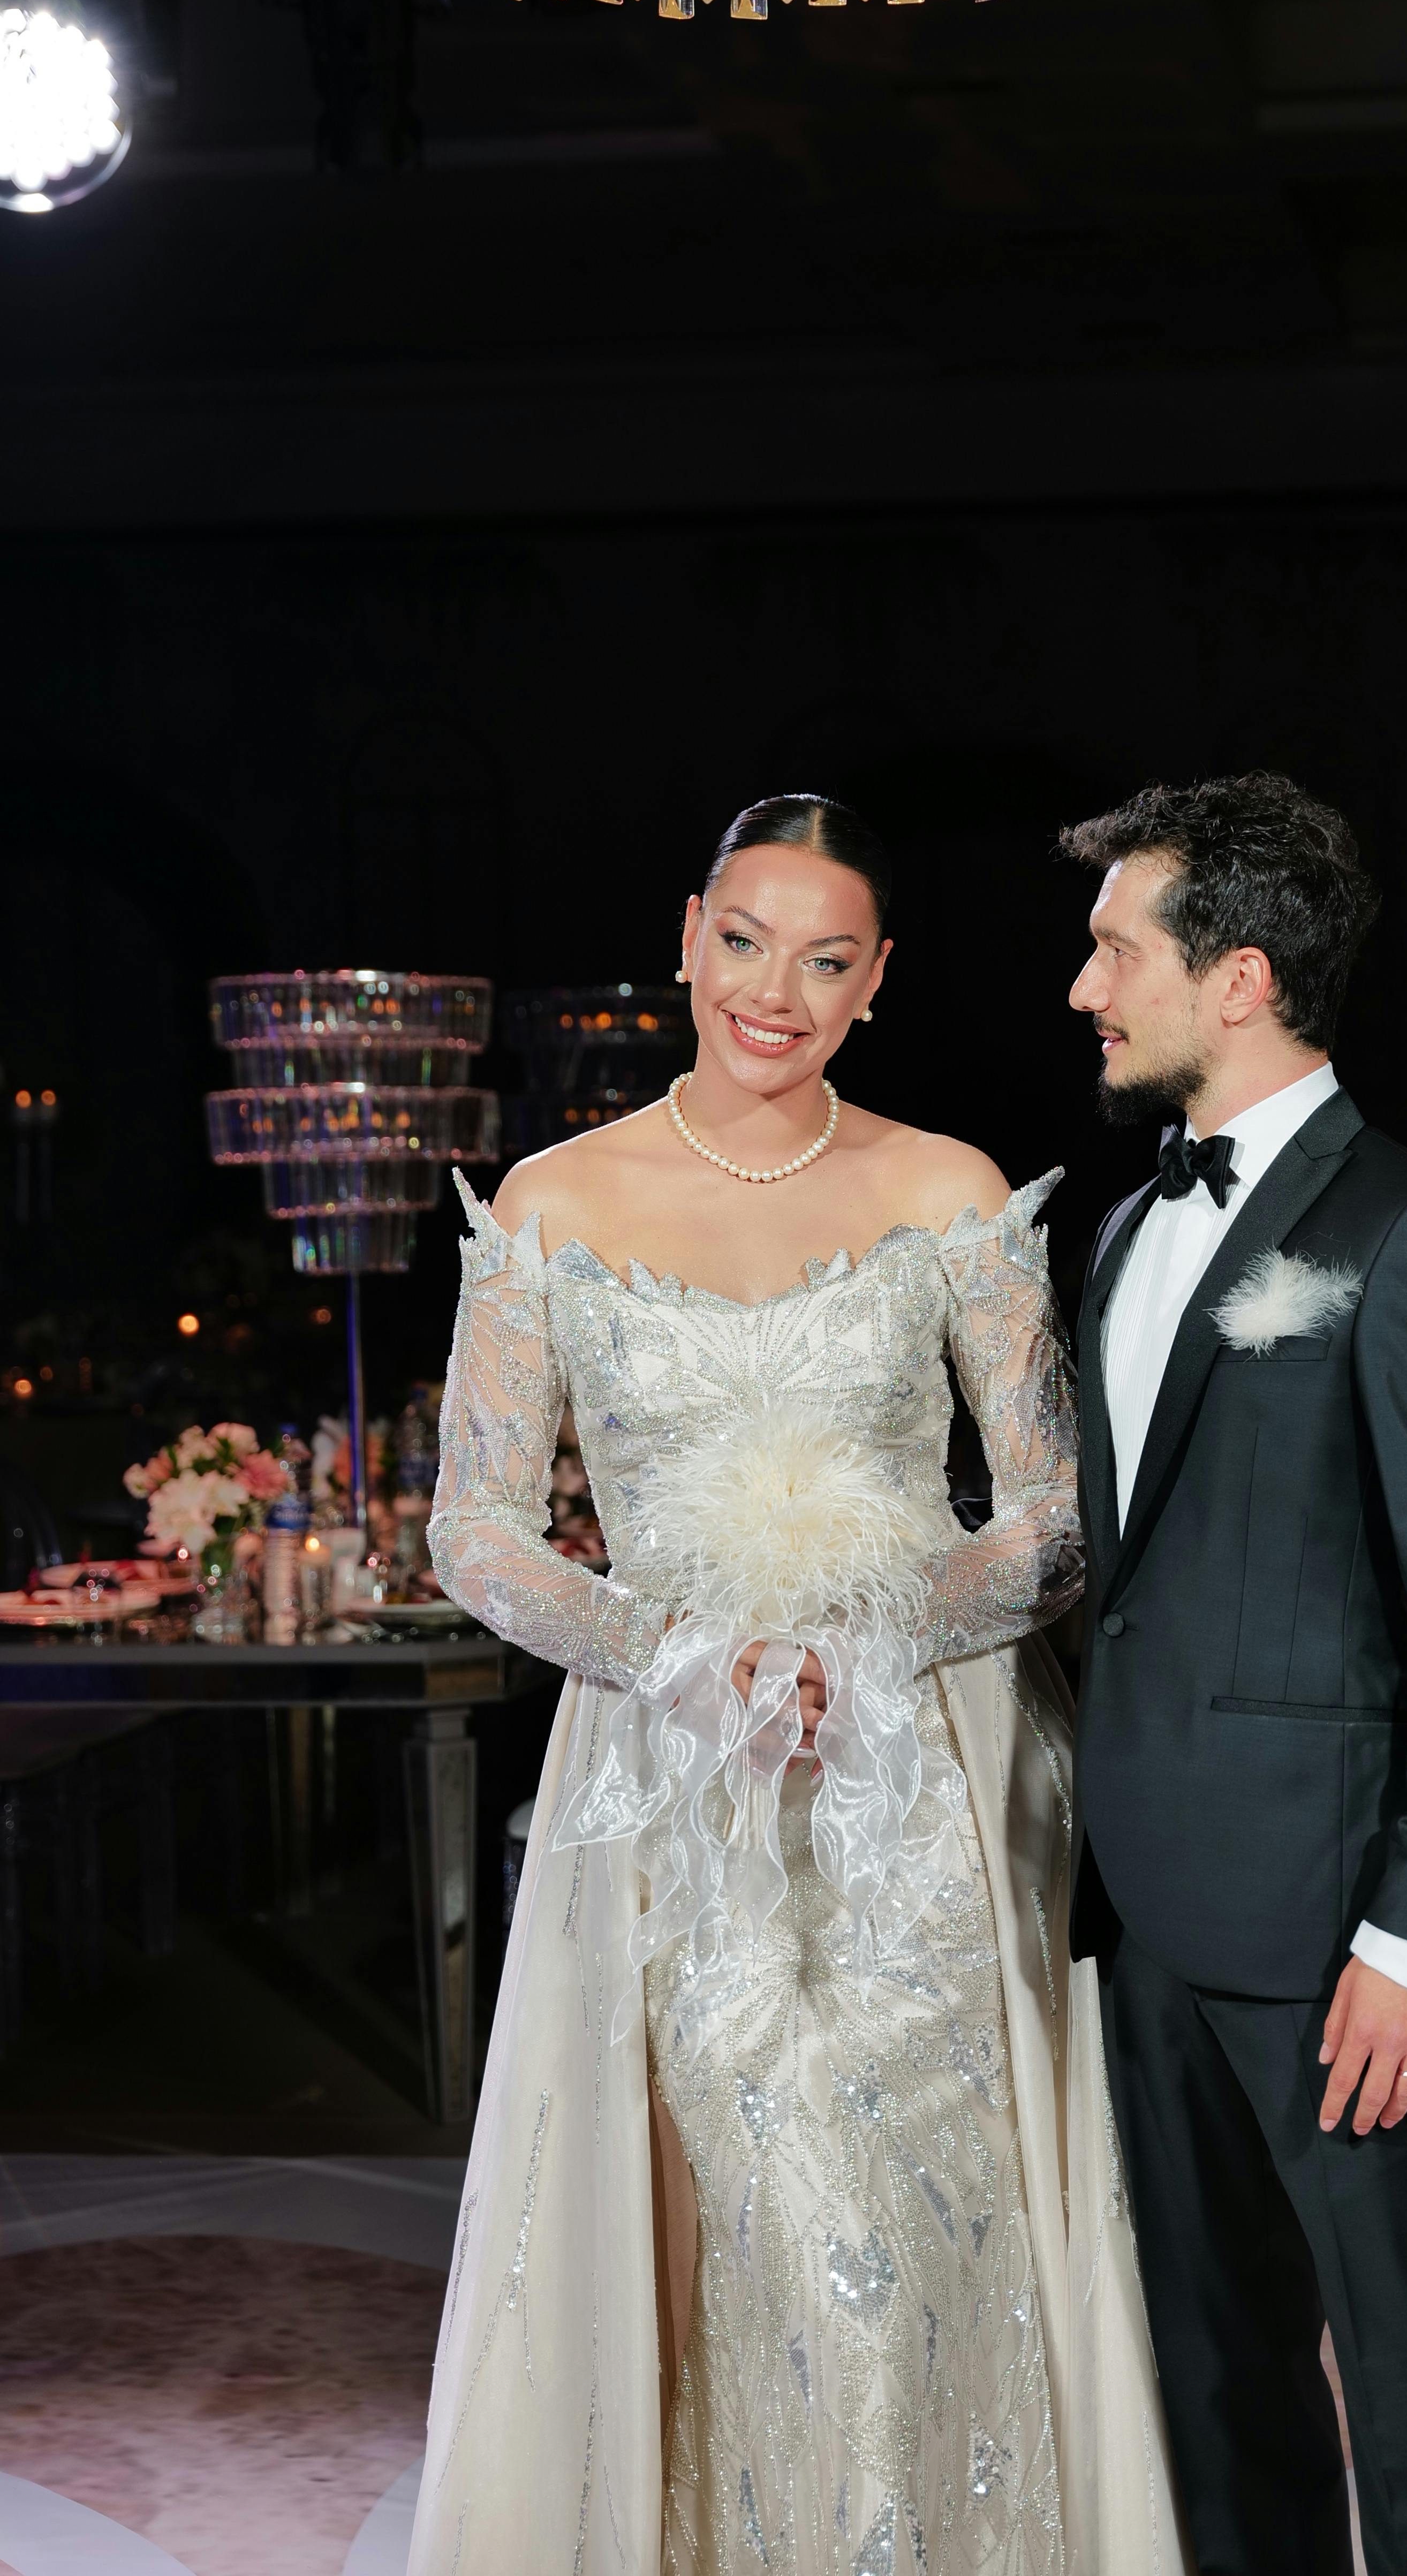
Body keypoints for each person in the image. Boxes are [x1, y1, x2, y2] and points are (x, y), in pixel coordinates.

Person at [410, 793, 1186, 2576]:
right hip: (670, 1773)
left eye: (827, 960)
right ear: (689, 938)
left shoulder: (948, 1189)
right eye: (747, 943)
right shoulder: (553, 1201)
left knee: (911, 2236)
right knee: (720, 2213)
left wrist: (873, 1641)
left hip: (926, 1770)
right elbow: (477, 1531)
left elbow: (1056, 1520)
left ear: (877, 979)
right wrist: (682, 1661)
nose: (777, 991)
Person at [1061, 771, 1407, 2576]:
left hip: (1344, 1940)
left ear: (1242, 976)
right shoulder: (1123, 1234)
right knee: (1217, 2394)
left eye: (1118, 949)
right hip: (1144, 1917)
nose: (1084, 989)